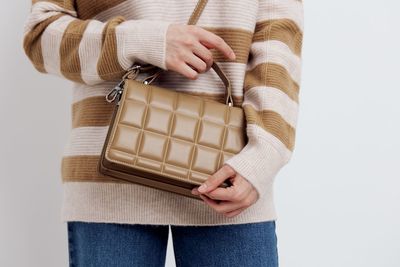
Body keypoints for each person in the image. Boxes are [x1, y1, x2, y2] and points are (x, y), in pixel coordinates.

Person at [22, 0, 304, 266]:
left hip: (232, 179)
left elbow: (278, 50)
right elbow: (41, 36)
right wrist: (147, 40)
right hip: (109, 185)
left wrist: (261, 158)